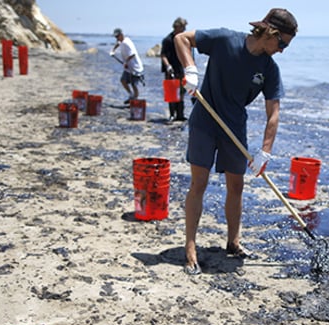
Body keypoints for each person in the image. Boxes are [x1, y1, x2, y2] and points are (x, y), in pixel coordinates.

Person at [174, 8, 298, 275]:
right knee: (199, 183)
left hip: (234, 127)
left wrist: (265, 152)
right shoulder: (224, 39)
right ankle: (190, 247)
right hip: (205, 121)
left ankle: (233, 241)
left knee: (236, 186)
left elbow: (273, 112)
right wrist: (191, 70)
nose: (283, 50)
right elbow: (182, 39)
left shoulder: (269, 69)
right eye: (283, 43)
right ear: (270, 32)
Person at [161, 17, 189, 121]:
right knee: (171, 93)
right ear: (176, 26)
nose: (184, 30)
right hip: (171, 70)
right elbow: (163, 55)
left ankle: (180, 115)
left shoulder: (183, 39)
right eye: (183, 27)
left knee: (181, 92)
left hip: (180, 69)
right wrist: (168, 66)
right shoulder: (168, 40)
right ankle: (172, 115)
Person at [110, 28, 144, 103]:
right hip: (128, 67)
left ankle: (135, 99)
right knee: (123, 80)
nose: (117, 38)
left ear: (121, 34)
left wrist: (126, 62)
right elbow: (118, 43)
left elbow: (132, 54)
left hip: (135, 67)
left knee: (133, 84)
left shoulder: (127, 42)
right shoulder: (121, 41)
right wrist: (113, 50)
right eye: (115, 37)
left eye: (117, 36)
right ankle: (131, 95)